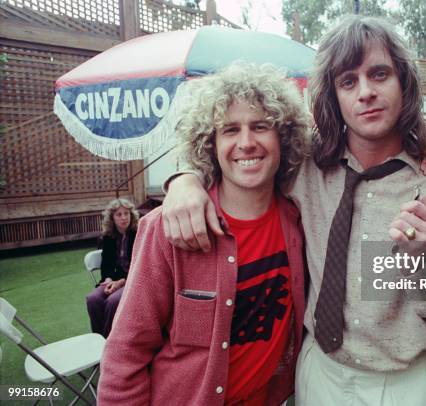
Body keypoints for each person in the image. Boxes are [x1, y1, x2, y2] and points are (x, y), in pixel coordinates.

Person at [162, 16, 426, 405]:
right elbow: (240, 154)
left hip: (398, 384)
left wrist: (424, 266)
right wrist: (184, 179)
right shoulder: (304, 165)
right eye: (348, 81)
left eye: (379, 74)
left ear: (404, 81)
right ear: (333, 96)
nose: (366, 92)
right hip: (315, 368)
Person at [97, 64, 309, 405]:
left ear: (283, 136)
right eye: (229, 130)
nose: (246, 142)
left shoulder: (298, 217)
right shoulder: (166, 228)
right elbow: (125, 353)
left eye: (260, 126)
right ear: (210, 143)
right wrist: (183, 180)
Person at [85, 198, 139, 338]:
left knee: (112, 302)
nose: (123, 218)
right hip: (113, 280)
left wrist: (120, 282)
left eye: (126, 213)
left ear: (131, 215)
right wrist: (109, 279)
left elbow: (140, 265)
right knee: (93, 299)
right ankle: (98, 339)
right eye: (119, 214)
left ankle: (110, 340)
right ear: (112, 218)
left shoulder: (139, 234)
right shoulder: (108, 237)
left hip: (134, 280)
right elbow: (106, 263)